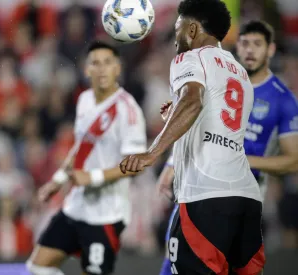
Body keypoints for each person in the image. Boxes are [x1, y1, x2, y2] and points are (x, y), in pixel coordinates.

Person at [120, 0, 266, 274]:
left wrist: (153, 151)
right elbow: (213, 120)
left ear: (192, 29)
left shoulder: (190, 57)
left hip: (205, 197)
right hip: (246, 198)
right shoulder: (241, 73)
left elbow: (193, 100)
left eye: (177, 29)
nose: (175, 38)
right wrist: (177, 112)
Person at [156, 19, 298, 275]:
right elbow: (192, 118)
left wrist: (241, 159)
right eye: (244, 43)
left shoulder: (283, 99)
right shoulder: (223, 78)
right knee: (174, 261)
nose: (250, 50)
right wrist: (171, 163)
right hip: (204, 188)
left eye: (257, 44)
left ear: (271, 50)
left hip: (245, 193)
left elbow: (294, 161)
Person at [26, 41, 147, 275]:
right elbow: (81, 147)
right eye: (95, 63)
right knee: (37, 267)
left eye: (107, 63)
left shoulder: (128, 110)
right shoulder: (84, 100)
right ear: (86, 69)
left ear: (117, 68)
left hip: (106, 214)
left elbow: (137, 165)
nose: (101, 69)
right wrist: (58, 180)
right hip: (76, 206)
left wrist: (93, 177)